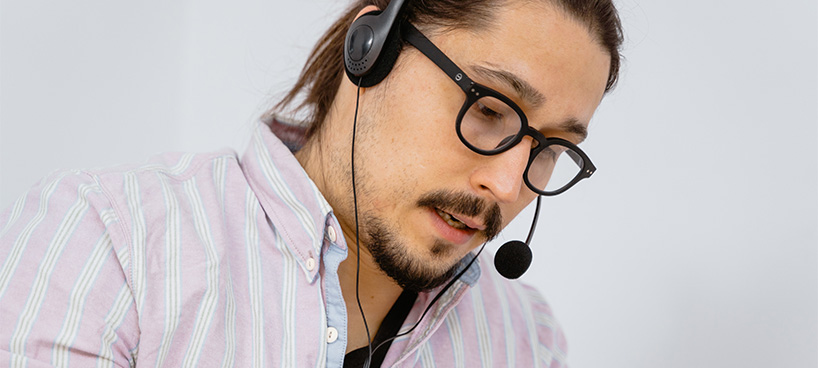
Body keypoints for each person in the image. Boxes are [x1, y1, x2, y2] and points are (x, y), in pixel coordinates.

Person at [0, 0, 622, 366]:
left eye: (552, 148)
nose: (510, 185)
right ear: (370, 49)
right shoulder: (111, 241)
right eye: (488, 109)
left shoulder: (526, 341)